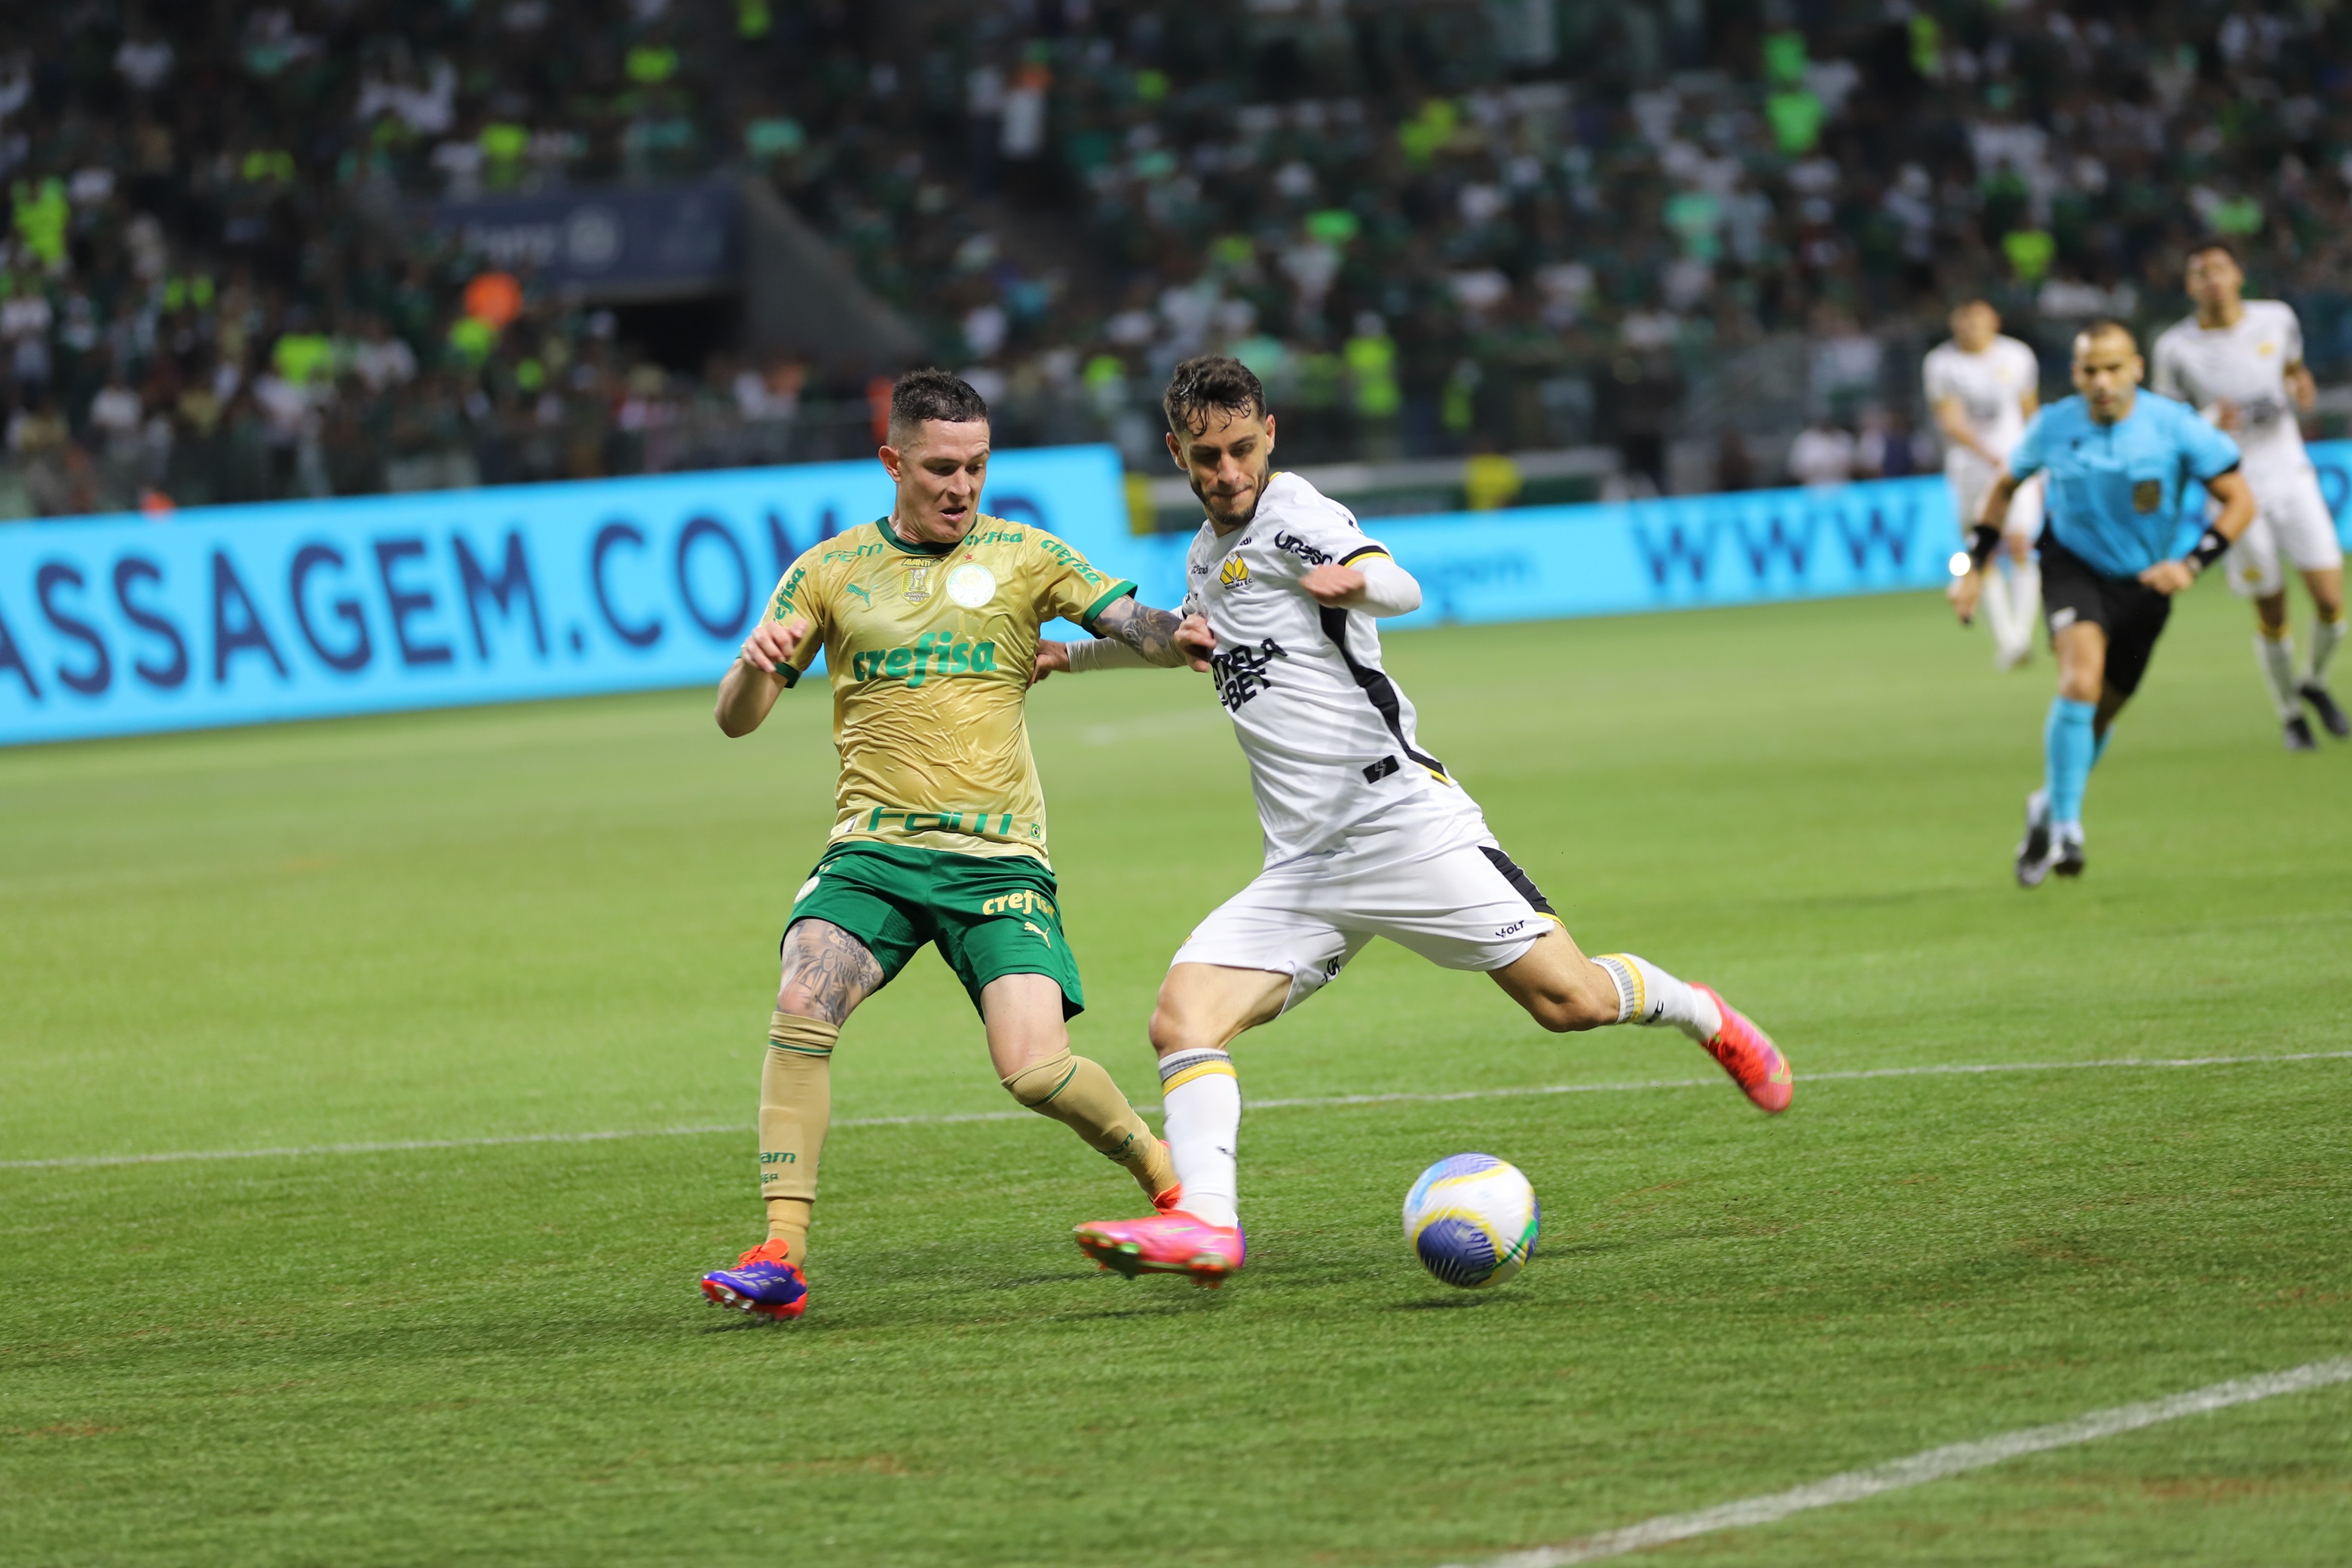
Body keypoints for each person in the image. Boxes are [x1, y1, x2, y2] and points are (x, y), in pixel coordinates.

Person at [1036, 357, 1792, 1288]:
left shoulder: (1297, 514)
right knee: (1182, 1018)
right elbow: (1191, 638)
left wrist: (1358, 588)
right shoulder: (1205, 553)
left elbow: (1398, 582)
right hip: (1305, 865)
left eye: (1241, 448)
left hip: (1403, 824)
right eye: (1207, 456)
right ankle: (1208, 1224)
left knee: (1573, 1004)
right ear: (1176, 454)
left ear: (1269, 434)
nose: (1228, 471)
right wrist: (1069, 659)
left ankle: (1702, 1011)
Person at [696, 369, 1193, 1320]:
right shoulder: (828, 570)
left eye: (976, 466)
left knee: (1034, 1070)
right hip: (873, 852)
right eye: (939, 468)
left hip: (998, 858)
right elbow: (736, 718)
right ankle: (781, 1253)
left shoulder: (1027, 556)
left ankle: (1174, 1186)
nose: (961, 486)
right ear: (893, 461)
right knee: (802, 1001)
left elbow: (1142, 628)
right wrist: (755, 669)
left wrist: (1184, 633)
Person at [1952, 323, 2256, 887]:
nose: (2102, 382)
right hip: (2073, 567)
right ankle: (2068, 829)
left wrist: (2192, 564)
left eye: (2113, 369)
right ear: (2075, 375)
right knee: (2079, 681)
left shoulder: (2173, 425)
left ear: (2136, 369)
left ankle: (2047, 804)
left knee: (2101, 715)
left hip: (2147, 584)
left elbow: (2239, 501)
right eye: (2090, 371)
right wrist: (1970, 568)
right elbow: (2002, 488)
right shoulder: (2053, 425)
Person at [2151, 238, 2347, 750]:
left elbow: (2294, 371)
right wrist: (2211, 419)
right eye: (2200, 273)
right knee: (2272, 609)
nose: (2212, 279)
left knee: (2331, 601)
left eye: (2219, 268)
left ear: (2238, 274)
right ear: (2189, 285)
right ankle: (2290, 714)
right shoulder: (2175, 347)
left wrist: (2302, 387)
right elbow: (2167, 427)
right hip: (2234, 492)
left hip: (2292, 475)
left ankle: (2314, 681)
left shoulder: (2277, 319)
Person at [1924, 300, 2044, 669]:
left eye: (1978, 320)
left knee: (2021, 543)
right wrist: (1991, 456)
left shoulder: (2018, 356)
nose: (1972, 327)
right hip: (1969, 469)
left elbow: (2030, 410)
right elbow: (1951, 422)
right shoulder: (1942, 363)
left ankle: (2020, 636)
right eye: (1964, 320)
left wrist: (2038, 457)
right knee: (1981, 554)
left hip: (2016, 463)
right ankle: (2006, 639)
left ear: (1995, 321)